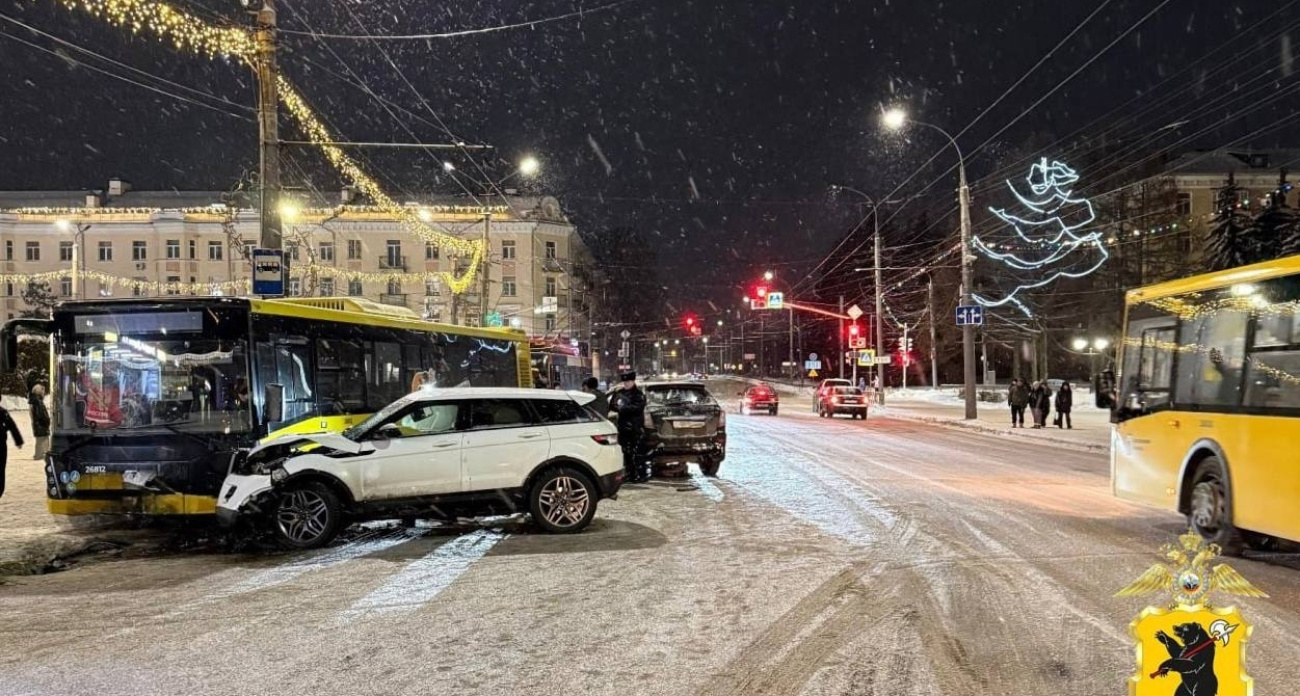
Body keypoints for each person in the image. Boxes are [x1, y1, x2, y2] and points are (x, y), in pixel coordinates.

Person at [608, 370, 648, 483]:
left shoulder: (638, 394)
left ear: (633, 381)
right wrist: (619, 407)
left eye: (628, 382)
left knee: (637, 453)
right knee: (626, 452)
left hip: (635, 427)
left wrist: (623, 408)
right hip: (623, 427)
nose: (626, 384)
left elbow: (638, 407)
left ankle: (640, 475)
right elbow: (612, 405)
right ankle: (630, 474)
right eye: (624, 382)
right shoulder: (619, 393)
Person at [0, 401, 24, 499]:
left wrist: (18, 440)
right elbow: (12, 426)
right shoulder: (2, 412)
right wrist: (18, 441)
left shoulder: (2, 412)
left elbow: (12, 426)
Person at [30, 384, 50, 460]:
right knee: (42, 441)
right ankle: (40, 455)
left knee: (39, 441)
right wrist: (47, 421)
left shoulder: (34, 401)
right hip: (41, 426)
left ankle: (39, 455)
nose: (44, 393)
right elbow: (41, 415)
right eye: (43, 391)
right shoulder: (38, 402)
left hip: (38, 425)